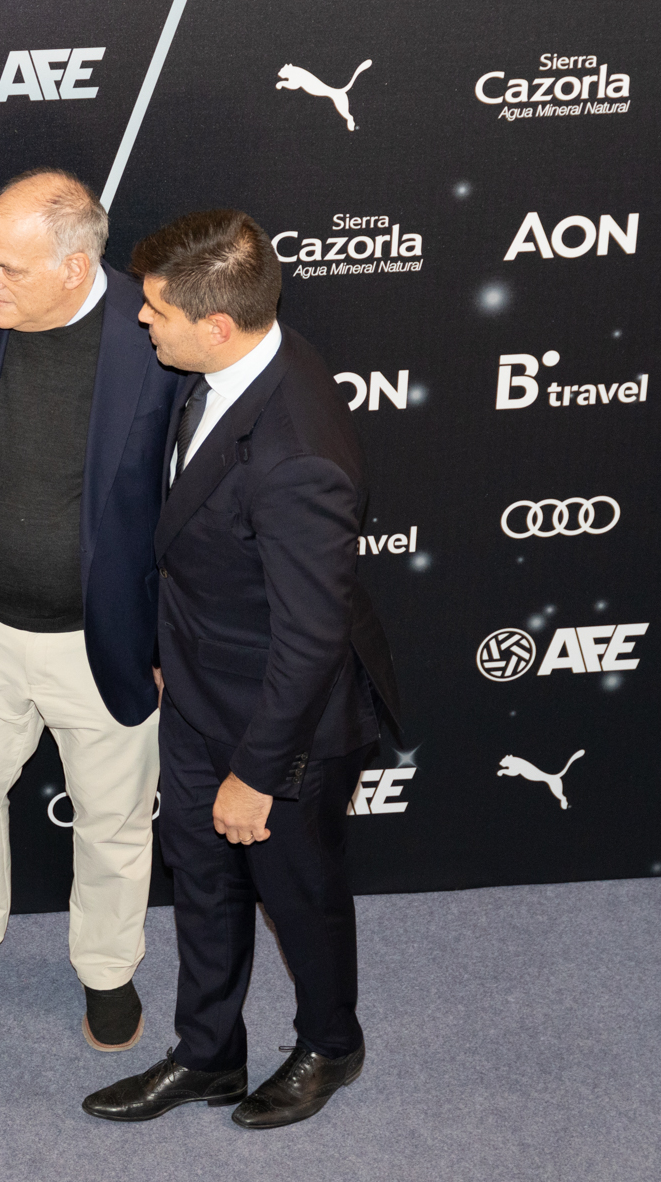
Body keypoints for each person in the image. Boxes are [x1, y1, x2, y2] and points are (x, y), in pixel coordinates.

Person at [83, 209, 401, 1129]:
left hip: (285, 726)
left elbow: (309, 638)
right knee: (203, 880)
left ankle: (332, 1044)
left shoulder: (298, 456)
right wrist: (164, 656)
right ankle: (209, 1055)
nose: (142, 320)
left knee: (299, 895)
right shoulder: (229, 365)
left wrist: (259, 775)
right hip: (198, 688)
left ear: (217, 325)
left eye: (156, 310)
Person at [0, 169, 179, 1048]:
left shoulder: (156, 331)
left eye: (8, 268)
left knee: (115, 821)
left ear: (72, 267)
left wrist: (170, 637)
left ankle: (107, 968)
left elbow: (194, 500)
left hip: (106, 636)